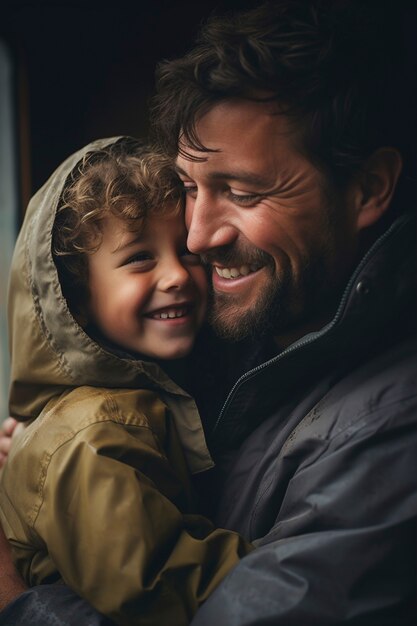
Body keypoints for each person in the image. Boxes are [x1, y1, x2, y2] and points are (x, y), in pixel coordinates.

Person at [1, 0, 416, 624]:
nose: (196, 238)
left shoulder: (391, 423)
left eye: (244, 193)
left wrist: (17, 603)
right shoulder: (227, 345)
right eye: (190, 189)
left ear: (368, 188)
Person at [0, 136, 251, 625]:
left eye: (187, 251)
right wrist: (298, 559)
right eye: (139, 258)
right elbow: (159, 586)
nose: (177, 274)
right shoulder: (94, 436)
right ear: (78, 300)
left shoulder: (156, 398)